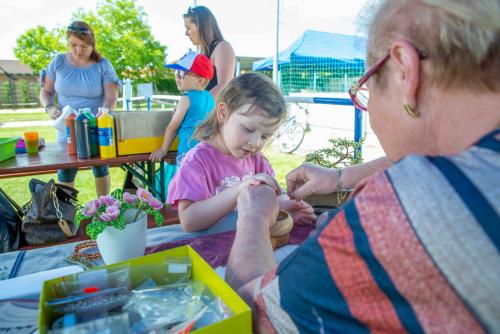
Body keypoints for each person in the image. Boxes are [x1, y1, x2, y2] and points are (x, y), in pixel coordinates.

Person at [226, 0, 500, 332]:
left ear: (405, 70)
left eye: (366, 87)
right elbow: (447, 151)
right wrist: (340, 177)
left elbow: (251, 314)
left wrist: (253, 217)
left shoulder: (407, 204)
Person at [167, 73, 316, 232]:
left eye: (265, 136)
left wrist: (287, 206)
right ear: (223, 113)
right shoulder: (197, 161)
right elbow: (190, 221)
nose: (256, 143)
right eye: (248, 129)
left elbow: (272, 199)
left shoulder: (257, 161)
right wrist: (239, 190)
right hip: (208, 249)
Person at [40, 21, 119, 196]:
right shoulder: (58, 62)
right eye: (73, 45)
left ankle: (103, 208)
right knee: (66, 171)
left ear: (92, 44)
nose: (78, 51)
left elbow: (111, 96)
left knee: (100, 169)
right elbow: (46, 91)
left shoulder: (103, 65)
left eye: (84, 46)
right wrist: (49, 107)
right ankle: (66, 216)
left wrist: (104, 111)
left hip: (95, 127)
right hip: (66, 128)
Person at [150, 50, 215, 166]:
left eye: (181, 73)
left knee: (185, 183)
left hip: (188, 153)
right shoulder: (210, 98)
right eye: (176, 72)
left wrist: (163, 149)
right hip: (208, 153)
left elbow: (172, 127)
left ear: (200, 81)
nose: (177, 77)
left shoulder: (186, 99)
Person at [183, 6, 236, 100]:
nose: (186, 33)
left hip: (219, 113)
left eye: (188, 28)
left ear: (201, 26)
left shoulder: (222, 47)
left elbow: (224, 86)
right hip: (207, 113)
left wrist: (195, 106)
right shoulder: (202, 53)